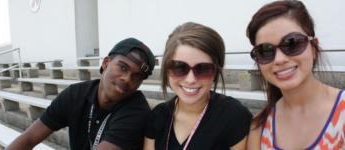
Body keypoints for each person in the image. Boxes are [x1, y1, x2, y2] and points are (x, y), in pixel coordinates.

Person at [7, 38, 156, 150]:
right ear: (105, 63)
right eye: (123, 67)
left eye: (137, 77)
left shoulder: (137, 112)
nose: (127, 79)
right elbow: (29, 138)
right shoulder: (75, 94)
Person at [246, 0, 344, 149]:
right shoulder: (259, 126)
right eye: (265, 50)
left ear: (314, 48)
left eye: (292, 43)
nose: (279, 59)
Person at [143, 22, 252, 150]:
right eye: (179, 67)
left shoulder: (234, 117)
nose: (190, 80)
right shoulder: (157, 116)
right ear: (166, 69)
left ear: (217, 71)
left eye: (203, 69)